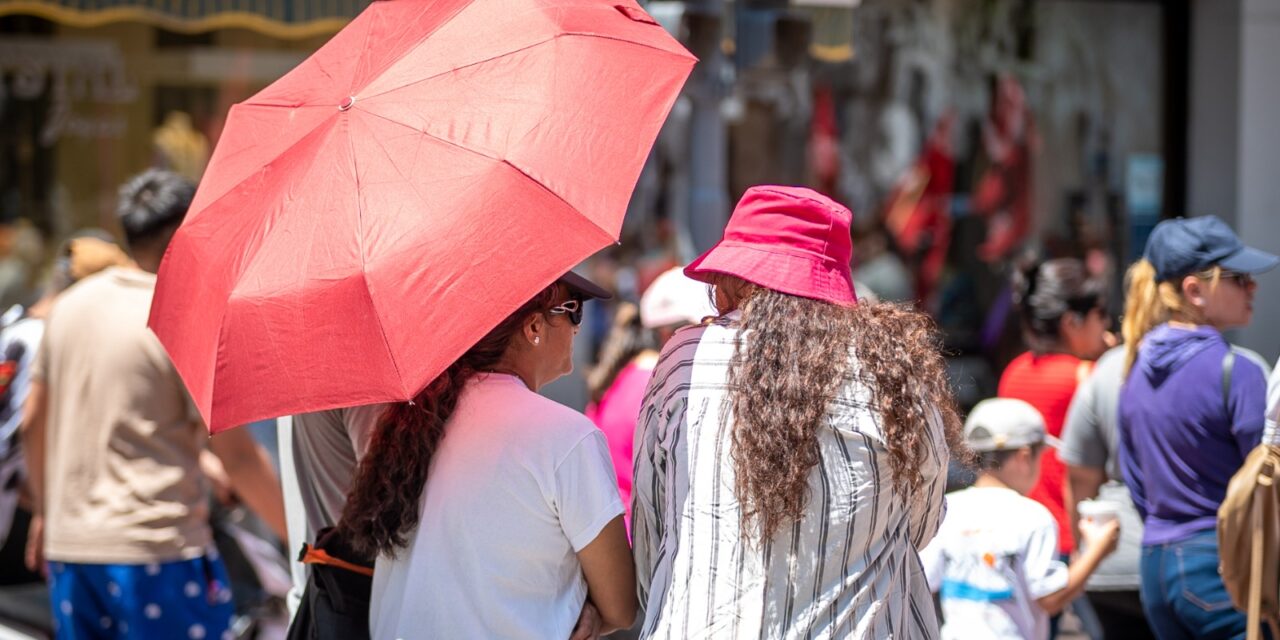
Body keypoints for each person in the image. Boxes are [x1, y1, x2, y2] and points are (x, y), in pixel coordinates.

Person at [632, 185, 966, 638]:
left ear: (733, 280)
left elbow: (652, 530)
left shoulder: (684, 362)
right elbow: (921, 525)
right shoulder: (895, 376)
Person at [20, 169, 288, 640]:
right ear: (187, 235)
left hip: (73, 553)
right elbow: (241, 458)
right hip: (157, 552)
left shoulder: (69, 307)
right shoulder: (177, 314)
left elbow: (33, 423)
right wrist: (302, 538)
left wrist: (45, 511)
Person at [344, 273, 636, 639]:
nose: (578, 327)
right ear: (533, 326)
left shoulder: (411, 424)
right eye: (573, 310)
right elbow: (621, 605)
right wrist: (588, 610)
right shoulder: (566, 438)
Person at [1117, 215, 1278, 639]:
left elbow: (1136, 482)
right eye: (1239, 277)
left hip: (1154, 564)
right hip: (1221, 563)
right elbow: (1266, 482)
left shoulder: (1133, 368)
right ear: (1195, 290)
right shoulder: (1238, 371)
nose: (1253, 287)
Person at [922, 398, 1121, 640]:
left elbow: (925, 583)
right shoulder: (1034, 517)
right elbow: (1050, 598)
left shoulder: (947, 508)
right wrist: (1097, 549)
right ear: (1025, 456)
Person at [584, 267, 712, 521]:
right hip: (647, 543)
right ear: (671, 335)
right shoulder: (666, 389)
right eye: (705, 328)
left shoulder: (619, 379)